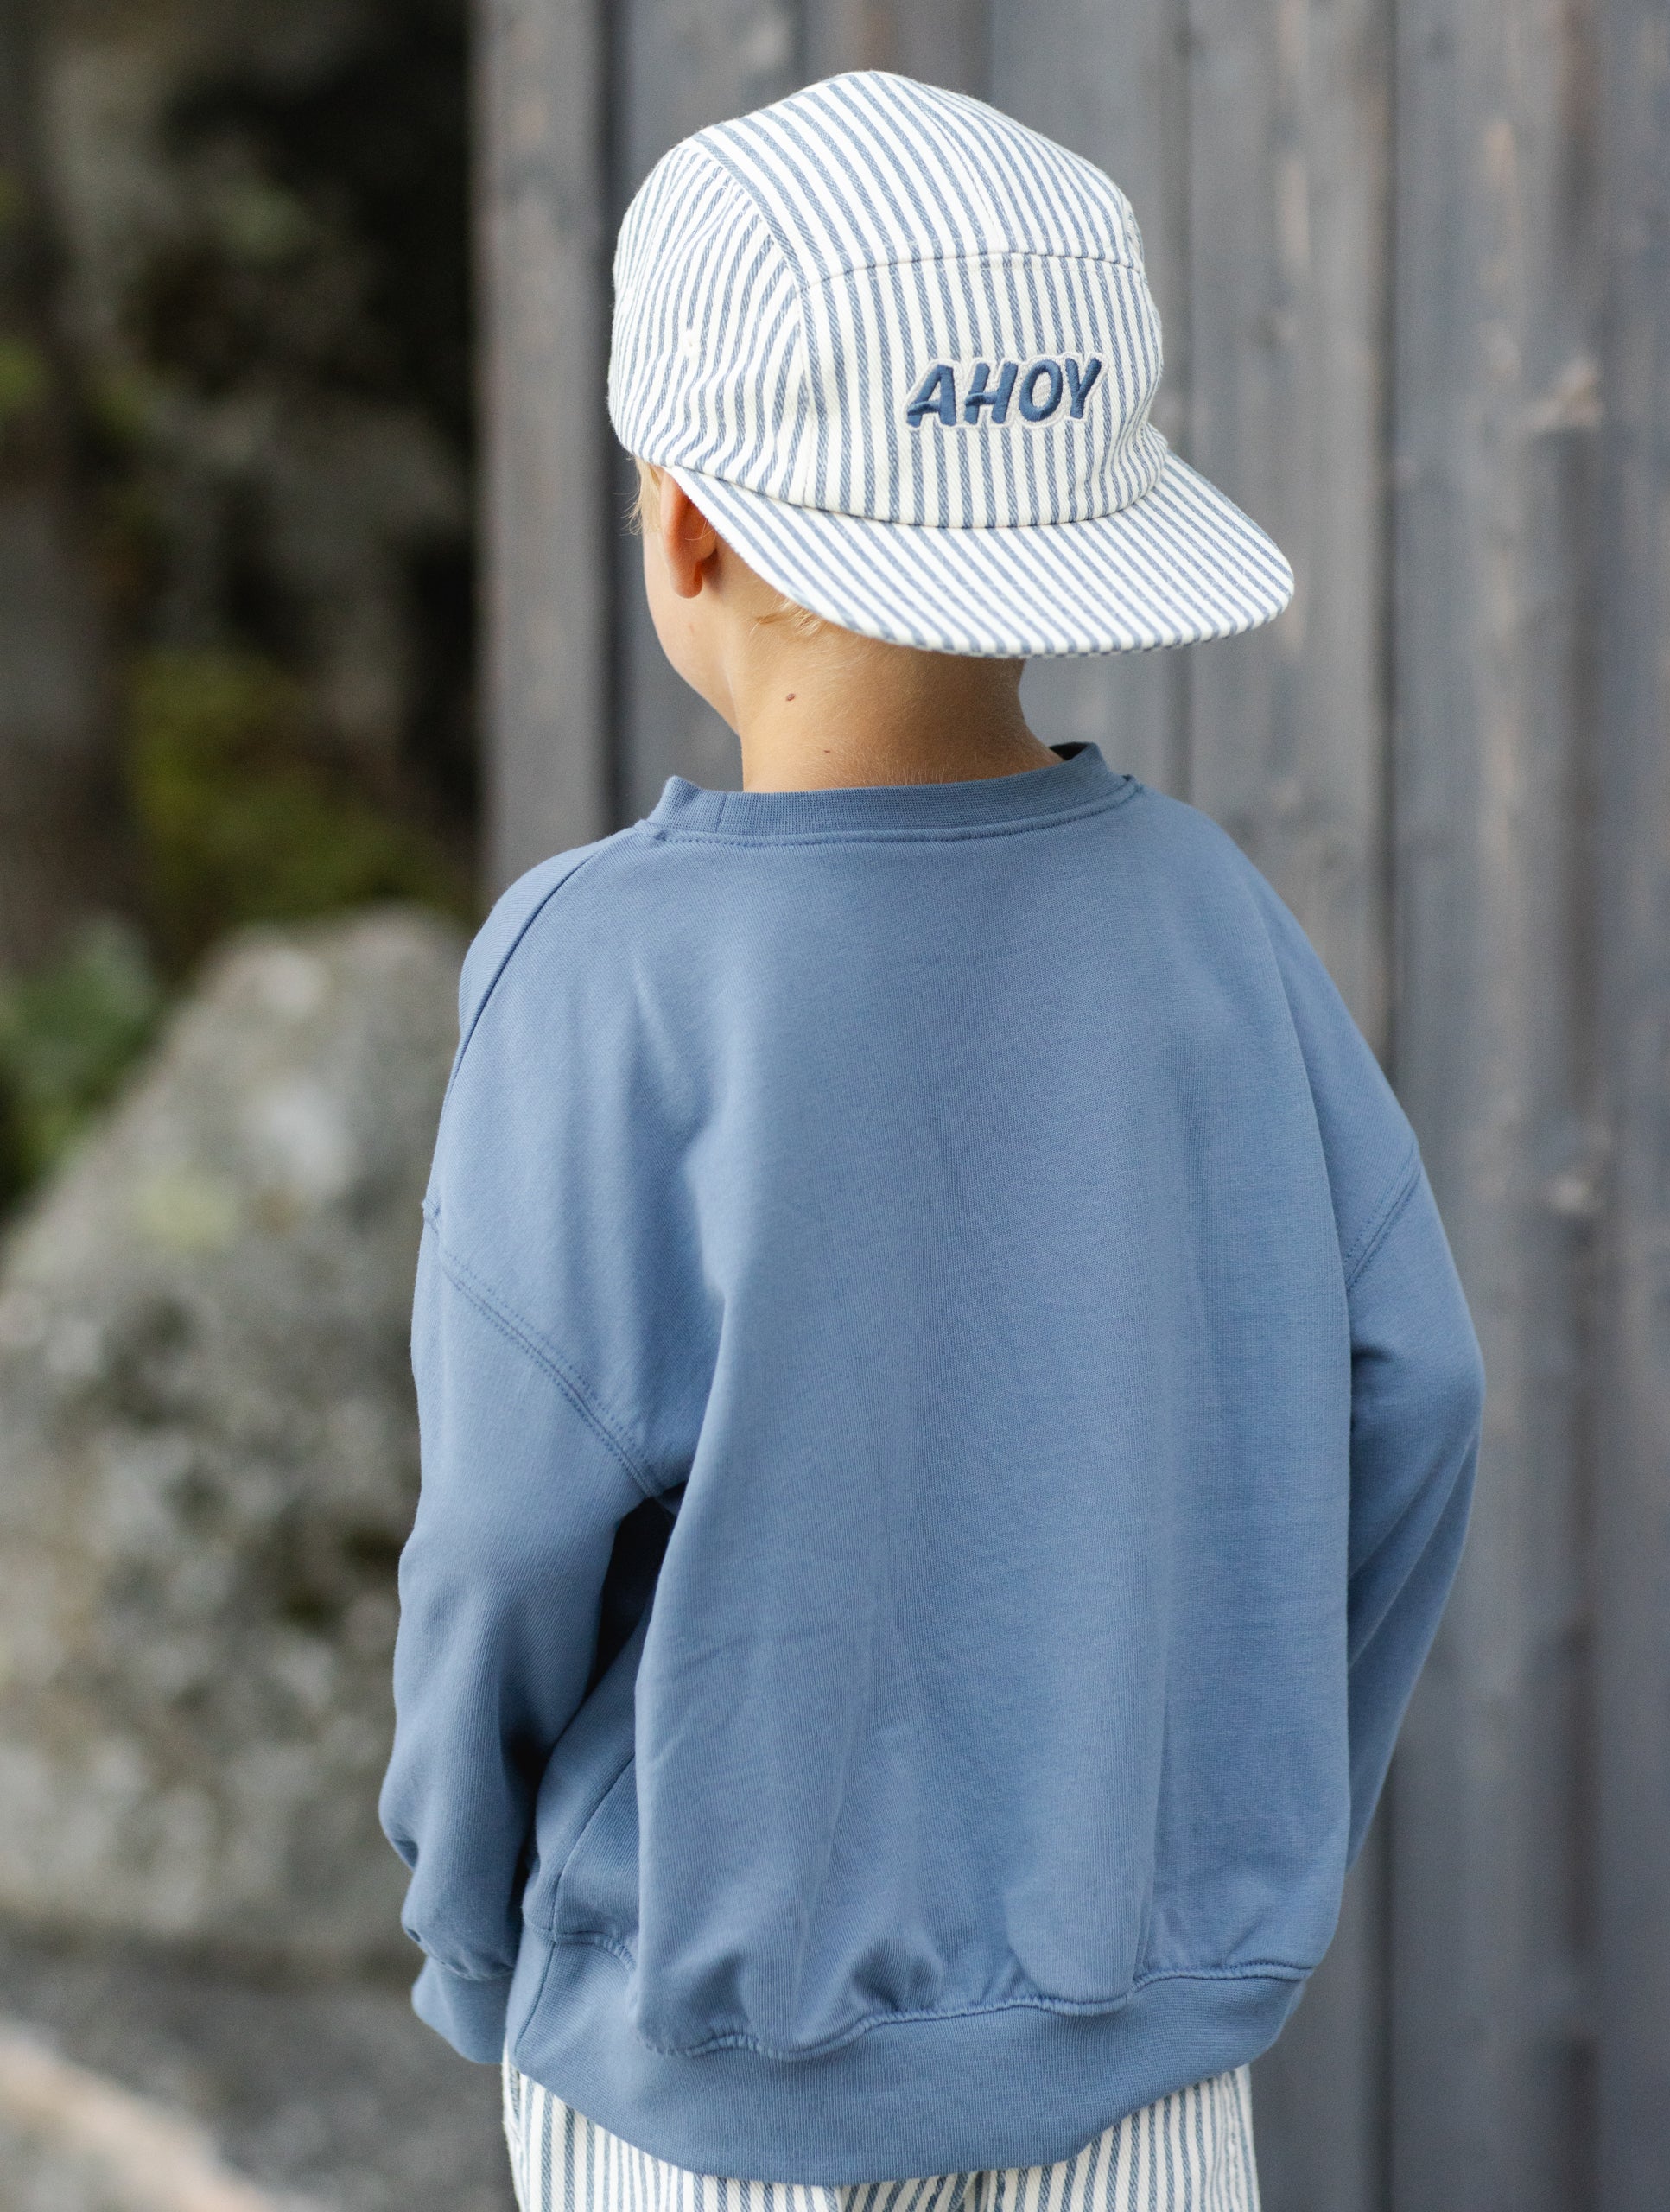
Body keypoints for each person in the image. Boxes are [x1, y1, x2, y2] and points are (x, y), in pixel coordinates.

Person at [379, 71, 1483, 2212]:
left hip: (699, 2070)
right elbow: (1413, 1393)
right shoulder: (1210, 925)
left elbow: (506, 1539)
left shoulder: (601, 973)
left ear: (681, 524)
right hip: (1148, 2075)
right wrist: (1219, 1855)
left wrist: (472, 1933)